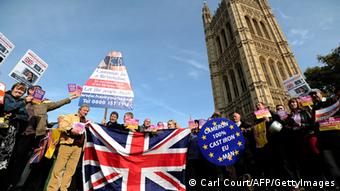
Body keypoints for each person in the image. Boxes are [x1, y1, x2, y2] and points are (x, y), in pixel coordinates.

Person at [47, 104, 90, 191]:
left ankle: (64, 189)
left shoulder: (87, 122)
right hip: (67, 144)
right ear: (79, 110)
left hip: (78, 148)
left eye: (87, 111)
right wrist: (71, 130)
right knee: (59, 168)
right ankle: (52, 189)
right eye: (84, 110)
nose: (85, 112)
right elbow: (62, 126)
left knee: (70, 171)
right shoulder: (70, 117)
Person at [0, 83, 31, 191]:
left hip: (11, 134)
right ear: (12, 89)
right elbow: (7, 107)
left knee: (3, 159)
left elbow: (25, 117)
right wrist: (23, 102)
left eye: (22, 91)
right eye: (18, 89)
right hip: (1, 129)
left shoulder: (20, 102)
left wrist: (15, 115)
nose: (19, 92)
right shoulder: (5, 96)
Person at [309, 89, 340, 186]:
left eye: (315, 93)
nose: (314, 96)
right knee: (329, 161)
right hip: (323, 137)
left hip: (336, 134)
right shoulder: (315, 108)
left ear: (321, 93)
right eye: (312, 95)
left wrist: (334, 118)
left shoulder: (332, 100)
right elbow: (313, 122)